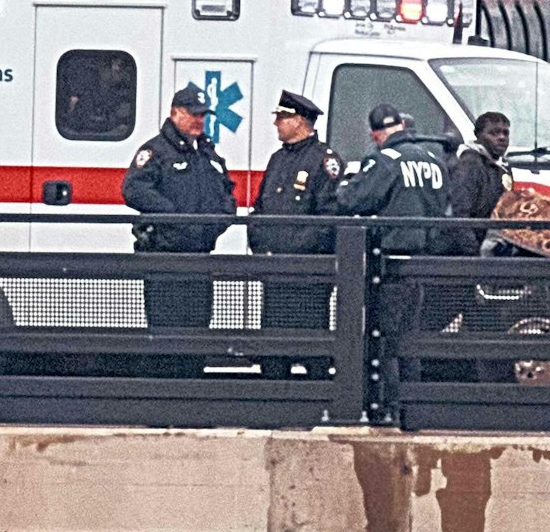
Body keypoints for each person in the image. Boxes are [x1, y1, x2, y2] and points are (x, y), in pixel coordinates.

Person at [123, 85, 236, 374]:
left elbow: (226, 192)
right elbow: (134, 189)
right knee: (165, 332)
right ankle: (162, 405)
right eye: (194, 115)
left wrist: (218, 222)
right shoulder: (156, 151)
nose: (200, 121)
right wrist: (173, 216)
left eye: (203, 115)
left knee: (197, 329)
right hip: (166, 256)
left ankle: (191, 401)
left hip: (199, 257)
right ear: (176, 114)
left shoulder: (207, 153)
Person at [251, 91, 343, 376]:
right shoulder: (277, 160)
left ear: (300, 120)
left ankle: (317, 411)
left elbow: (329, 218)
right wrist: (261, 246)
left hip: (307, 274)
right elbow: (260, 209)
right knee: (273, 349)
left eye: (282, 117)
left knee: (313, 347)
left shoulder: (324, 161)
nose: (277, 123)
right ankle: (273, 409)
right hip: (275, 273)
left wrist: (293, 250)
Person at [334, 104, 450, 255]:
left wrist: (345, 182)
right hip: (435, 253)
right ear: (402, 125)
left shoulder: (384, 161)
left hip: (397, 254)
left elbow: (351, 199)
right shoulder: (435, 160)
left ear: (373, 135)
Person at [445, 111, 514, 255]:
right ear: (479, 136)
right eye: (493, 133)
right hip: (463, 253)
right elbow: (460, 214)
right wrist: (474, 254)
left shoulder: (502, 167)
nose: (501, 138)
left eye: (505, 133)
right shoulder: (469, 165)